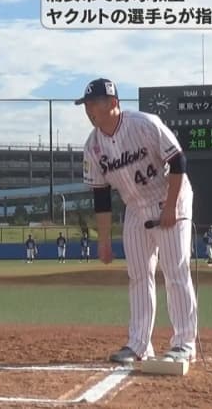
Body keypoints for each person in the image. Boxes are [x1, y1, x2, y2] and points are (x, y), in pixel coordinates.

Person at [77, 77, 197, 364]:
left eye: (93, 104)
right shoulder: (93, 146)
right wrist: (104, 241)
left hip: (171, 196)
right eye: (86, 105)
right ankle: (139, 344)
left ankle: (184, 343)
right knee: (138, 275)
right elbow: (101, 196)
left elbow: (178, 161)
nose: (89, 110)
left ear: (114, 104)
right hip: (135, 208)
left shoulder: (144, 124)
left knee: (174, 271)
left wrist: (170, 207)